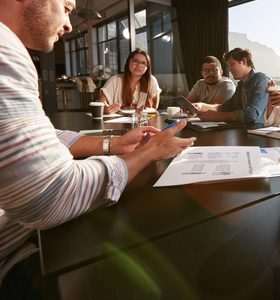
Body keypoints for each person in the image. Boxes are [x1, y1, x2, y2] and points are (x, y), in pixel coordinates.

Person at [0, 1, 196, 298]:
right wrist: (148, 153)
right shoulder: (4, 49)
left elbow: (41, 136)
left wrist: (112, 143)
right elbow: (51, 195)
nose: (68, 24)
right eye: (66, 6)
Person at [193, 48, 270, 126]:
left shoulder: (260, 79)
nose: (229, 69)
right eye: (228, 65)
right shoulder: (241, 85)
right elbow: (226, 107)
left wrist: (218, 116)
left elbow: (252, 114)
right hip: (244, 131)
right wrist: (202, 106)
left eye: (232, 63)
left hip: (259, 132)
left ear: (244, 61)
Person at [99, 50, 162, 114]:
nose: (139, 65)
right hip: (117, 122)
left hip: (143, 121)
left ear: (147, 67)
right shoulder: (114, 80)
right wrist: (106, 109)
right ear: (129, 62)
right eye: (135, 61)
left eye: (143, 63)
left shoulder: (151, 81)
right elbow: (101, 104)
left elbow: (154, 107)